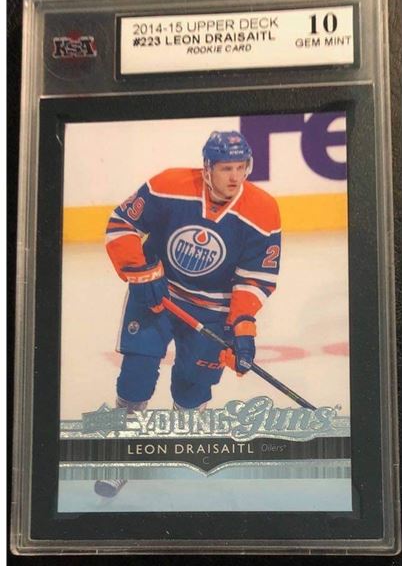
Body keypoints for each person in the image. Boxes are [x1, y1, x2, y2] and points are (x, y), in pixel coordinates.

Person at [104, 130, 282, 413]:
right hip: (158, 294)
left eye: (241, 168)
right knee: (136, 375)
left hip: (213, 310)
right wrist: (139, 272)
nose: (235, 177)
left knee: (192, 389)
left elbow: (255, 277)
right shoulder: (168, 185)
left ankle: (187, 434)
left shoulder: (263, 210)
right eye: (226, 169)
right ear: (207, 168)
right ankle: (124, 428)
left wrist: (243, 326)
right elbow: (122, 223)